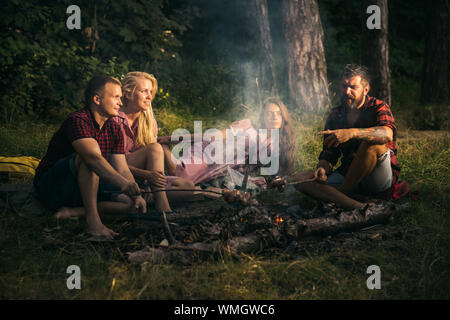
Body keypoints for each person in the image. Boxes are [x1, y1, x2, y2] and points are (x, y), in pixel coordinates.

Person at [34, 75, 146, 239]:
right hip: (54, 186)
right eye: (116, 97)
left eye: (121, 98)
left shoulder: (115, 128)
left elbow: (121, 168)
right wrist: (123, 184)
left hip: (84, 189)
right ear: (97, 99)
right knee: (88, 160)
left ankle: (73, 212)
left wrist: (136, 193)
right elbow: (92, 159)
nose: (121, 103)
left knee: (130, 205)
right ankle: (92, 223)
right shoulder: (78, 120)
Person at [293, 64, 400, 209]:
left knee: (372, 143)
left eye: (353, 87)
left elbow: (387, 134)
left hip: (376, 177)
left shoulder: (378, 107)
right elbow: (329, 154)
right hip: (347, 174)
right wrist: (322, 168)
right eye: (344, 86)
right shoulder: (335, 115)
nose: (347, 91)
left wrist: (352, 133)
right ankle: (357, 206)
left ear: (365, 89)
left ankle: (339, 197)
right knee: (300, 178)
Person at [159, 97, 296, 191]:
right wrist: (173, 138)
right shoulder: (248, 126)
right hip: (211, 153)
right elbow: (213, 136)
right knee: (181, 174)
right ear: (263, 116)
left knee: (184, 184)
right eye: (269, 114)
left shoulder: (275, 144)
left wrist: (278, 181)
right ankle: (162, 148)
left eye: (278, 114)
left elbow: (274, 172)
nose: (274, 117)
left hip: (224, 169)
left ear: (283, 117)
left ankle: (158, 177)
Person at [115, 71, 195, 211]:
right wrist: (147, 174)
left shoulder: (149, 122)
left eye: (151, 92)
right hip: (120, 176)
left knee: (188, 186)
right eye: (144, 91)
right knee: (154, 148)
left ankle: (148, 197)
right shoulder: (115, 120)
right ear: (127, 94)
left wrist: (151, 177)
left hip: (145, 181)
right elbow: (112, 165)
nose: (149, 97)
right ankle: (162, 207)